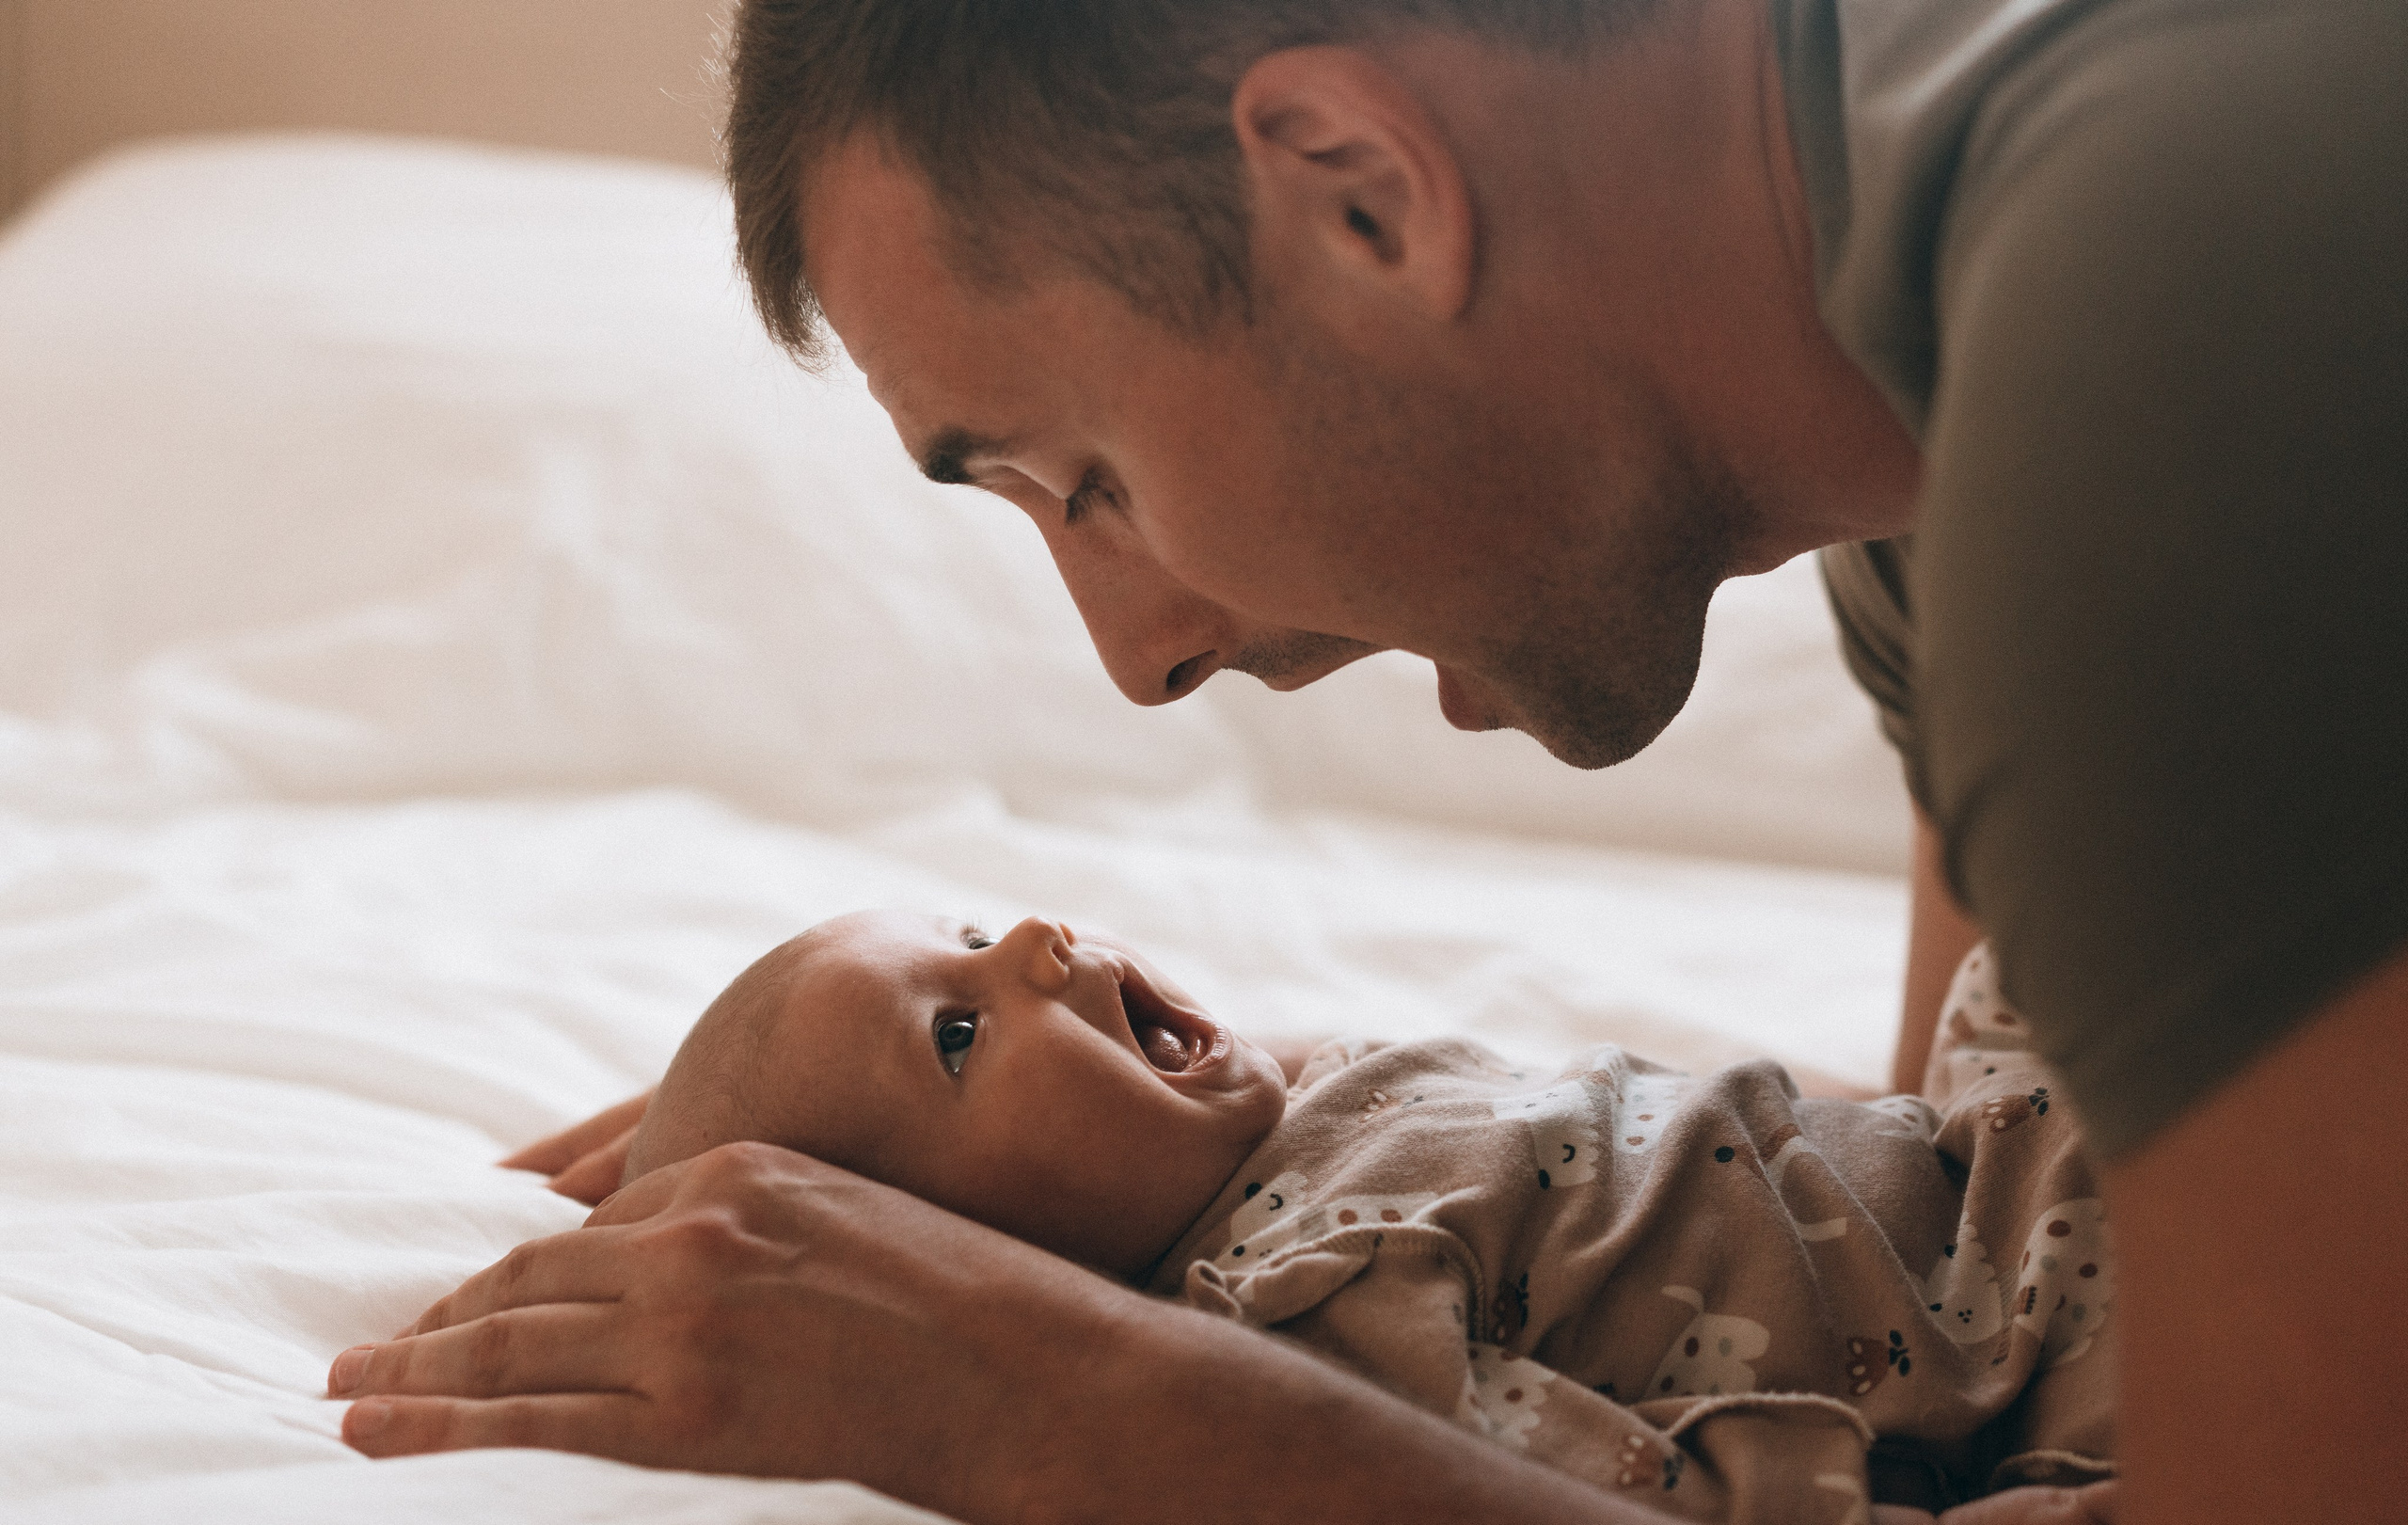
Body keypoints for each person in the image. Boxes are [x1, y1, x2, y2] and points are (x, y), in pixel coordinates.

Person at [324, 1, 2407, 1521]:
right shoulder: (1934, 425)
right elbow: (1974, 1287)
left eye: (1082, 479)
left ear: (1360, 194)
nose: (1135, 651)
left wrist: (1063, 1398)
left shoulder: (2168, 345)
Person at [564, 908, 2115, 1517]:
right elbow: (1618, 1487)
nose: (1034, 939)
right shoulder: (1298, 1320)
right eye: (957, 1032)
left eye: (970, 926)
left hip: (1997, 1147)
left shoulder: (1298, 1108)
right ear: (965, 1261)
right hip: (2056, 1319)